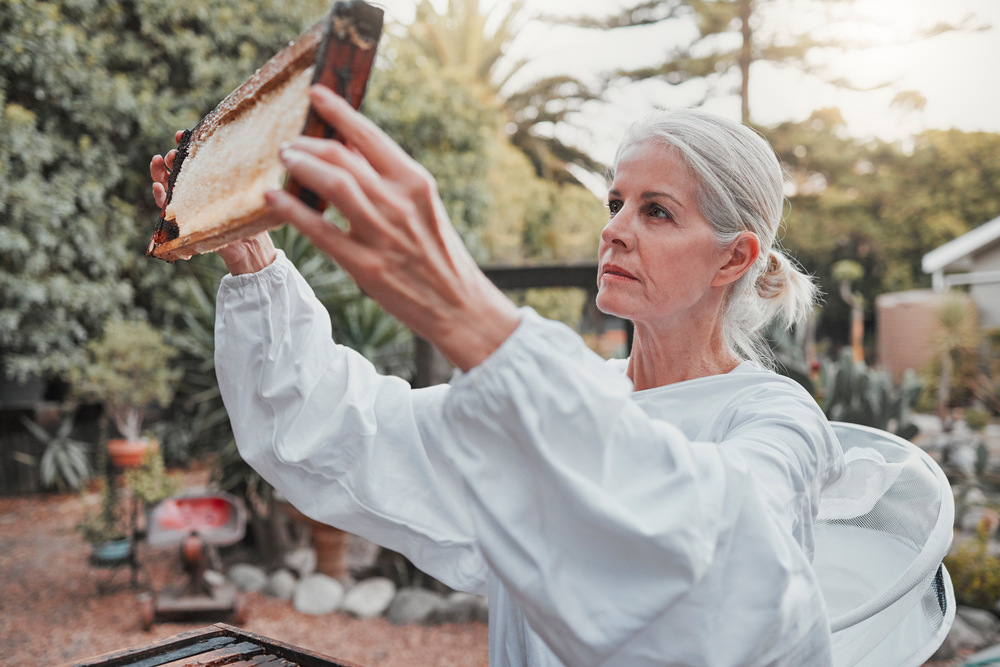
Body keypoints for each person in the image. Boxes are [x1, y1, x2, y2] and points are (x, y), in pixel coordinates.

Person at [151, 84, 844, 666]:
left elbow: (722, 577)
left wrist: (472, 315)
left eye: (657, 210)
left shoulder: (774, 419)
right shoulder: (564, 397)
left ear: (733, 259)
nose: (616, 229)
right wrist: (253, 254)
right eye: (615, 203)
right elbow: (344, 433)